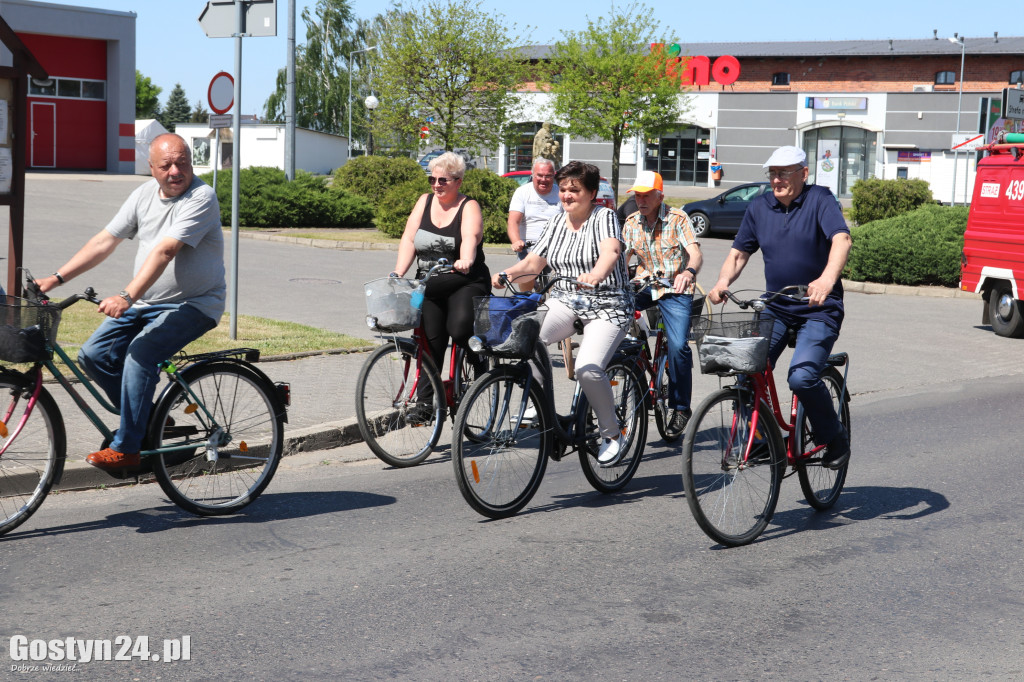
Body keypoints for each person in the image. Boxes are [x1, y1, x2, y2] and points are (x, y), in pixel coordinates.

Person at [37, 133, 225, 471]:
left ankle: (128, 447)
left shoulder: (202, 196)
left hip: (195, 305)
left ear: (191, 163)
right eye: (165, 165)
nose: (175, 171)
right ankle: (152, 419)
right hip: (146, 304)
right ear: (151, 168)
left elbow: (166, 251)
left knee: (141, 353)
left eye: (182, 162)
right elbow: (105, 241)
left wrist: (126, 296)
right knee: (93, 355)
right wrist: (55, 278)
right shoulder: (142, 195)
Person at [708, 145, 852, 469]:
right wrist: (721, 283)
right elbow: (738, 253)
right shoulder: (759, 207)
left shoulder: (820, 200)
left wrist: (827, 280)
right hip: (777, 307)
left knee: (801, 378)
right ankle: (761, 440)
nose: (777, 179)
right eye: (772, 173)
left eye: (784, 173)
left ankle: (835, 437)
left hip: (819, 308)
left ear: (803, 173)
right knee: (744, 367)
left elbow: (841, 240)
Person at [493, 160, 633, 465]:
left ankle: (612, 433)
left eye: (575, 190)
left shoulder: (604, 216)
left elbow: (610, 251)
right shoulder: (557, 222)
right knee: (526, 338)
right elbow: (532, 264)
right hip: (566, 300)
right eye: (565, 189)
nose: (567, 195)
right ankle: (541, 406)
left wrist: (596, 274)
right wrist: (508, 273)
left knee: (587, 367)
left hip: (607, 304)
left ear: (592, 192)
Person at [391, 151, 489, 410]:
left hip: (464, 280)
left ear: (458, 181)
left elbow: (471, 236)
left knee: (457, 330)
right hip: (429, 283)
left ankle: (478, 360)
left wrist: (466, 258)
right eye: (432, 179)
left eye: (443, 180)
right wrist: (399, 273)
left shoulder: (469, 206)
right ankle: (424, 406)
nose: (436, 185)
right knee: (429, 344)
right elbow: (409, 238)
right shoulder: (424, 202)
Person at [621, 170, 703, 433]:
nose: (641, 200)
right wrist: (617, 280)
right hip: (645, 286)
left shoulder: (678, 218)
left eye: (646, 195)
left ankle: (680, 407)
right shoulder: (632, 222)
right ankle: (639, 364)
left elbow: (695, 254)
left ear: (660, 196)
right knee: (614, 317)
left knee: (679, 346)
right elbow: (621, 258)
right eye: (637, 195)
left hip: (675, 288)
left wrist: (688, 273)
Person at [507, 158, 562, 292]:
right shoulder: (522, 192)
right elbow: (513, 221)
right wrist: (516, 241)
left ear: (553, 175)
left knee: (557, 282)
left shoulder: (561, 193)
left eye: (548, 176)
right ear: (533, 175)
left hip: (555, 247)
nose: (544, 179)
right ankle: (527, 300)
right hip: (529, 247)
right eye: (540, 175)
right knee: (526, 274)